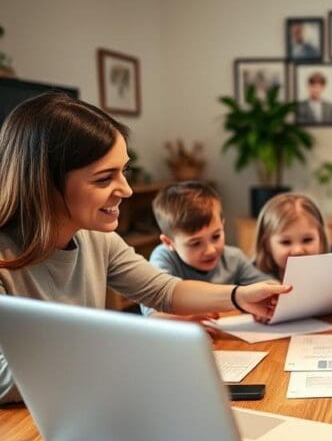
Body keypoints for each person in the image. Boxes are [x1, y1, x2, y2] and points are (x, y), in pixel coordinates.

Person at [0, 93, 290, 404]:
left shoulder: (98, 241)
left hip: (85, 402)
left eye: (124, 171)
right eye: (104, 179)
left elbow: (164, 291)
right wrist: (119, 343)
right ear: (44, 185)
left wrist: (238, 296)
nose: (126, 189)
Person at [140, 181, 274, 321]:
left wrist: (271, 301)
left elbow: (267, 285)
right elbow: (152, 313)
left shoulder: (234, 257)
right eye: (195, 243)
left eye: (216, 236)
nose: (210, 250)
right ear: (169, 242)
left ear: (223, 225)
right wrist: (187, 321)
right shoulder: (163, 258)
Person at [253, 192, 332, 308]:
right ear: (267, 244)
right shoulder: (252, 273)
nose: (298, 250)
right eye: (286, 242)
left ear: (320, 237)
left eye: (307, 240)